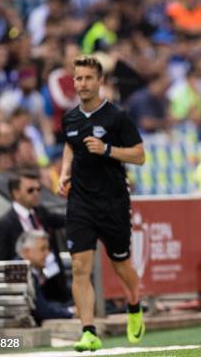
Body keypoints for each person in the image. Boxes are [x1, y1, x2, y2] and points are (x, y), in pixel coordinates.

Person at [58, 55, 146, 352]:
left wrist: (107, 149)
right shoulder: (69, 118)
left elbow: (139, 155)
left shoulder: (117, 117)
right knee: (80, 267)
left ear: (100, 81)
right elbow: (70, 147)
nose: (82, 84)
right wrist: (63, 173)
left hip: (113, 202)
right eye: (78, 78)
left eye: (88, 78)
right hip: (80, 202)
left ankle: (134, 304)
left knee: (121, 264)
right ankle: (88, 330)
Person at [0, 169, 69, 303]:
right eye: (30, 190)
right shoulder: (3, 225)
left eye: (38, 189)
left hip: (54, 288)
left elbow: (65, 220)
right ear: (16, 193)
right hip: (24, 292)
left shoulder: (41, 213)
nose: (36, 193)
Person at [16, 230, 73, 325]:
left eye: (48, 249)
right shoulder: (22, 272)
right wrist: (70, 312)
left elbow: (45, 304)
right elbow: (42, 311)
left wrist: (68, 308)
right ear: (26, 251)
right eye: (42, 249)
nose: (47, 254)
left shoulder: (27, 269)